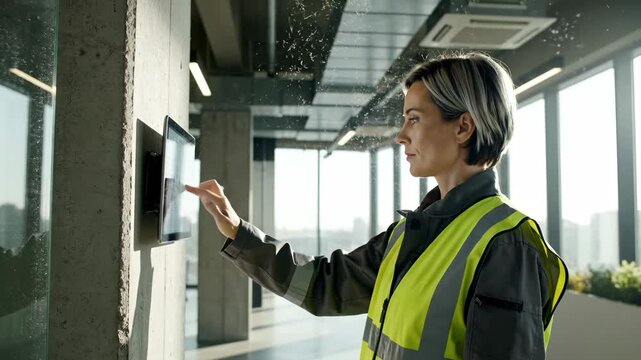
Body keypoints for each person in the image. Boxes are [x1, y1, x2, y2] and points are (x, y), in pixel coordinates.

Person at [185, 52, 568, 360]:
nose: (401, 135)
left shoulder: (507, 247)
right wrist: (237, 231)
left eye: (413, 119)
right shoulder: (411, 232)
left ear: (463, 127)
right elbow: (325, 286)